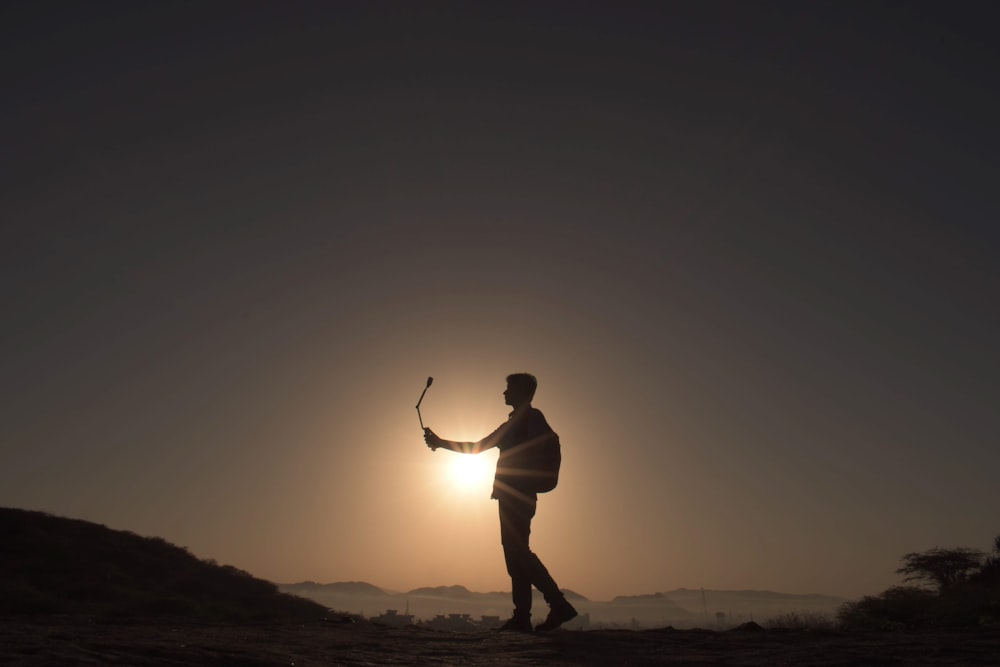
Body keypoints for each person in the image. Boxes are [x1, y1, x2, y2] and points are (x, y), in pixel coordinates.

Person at [423, 373, 578, 633]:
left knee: (518, 554)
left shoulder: (525, 420)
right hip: (517, 495)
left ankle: (557, 606)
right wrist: (441, 443)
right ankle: (523, 617)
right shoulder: (525, 420)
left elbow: (479, 446)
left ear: (521, 391)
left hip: (516, 495)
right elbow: (482, 446)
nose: (504, 393)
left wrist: (440, 443)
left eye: (508, 388)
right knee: (514, 555)